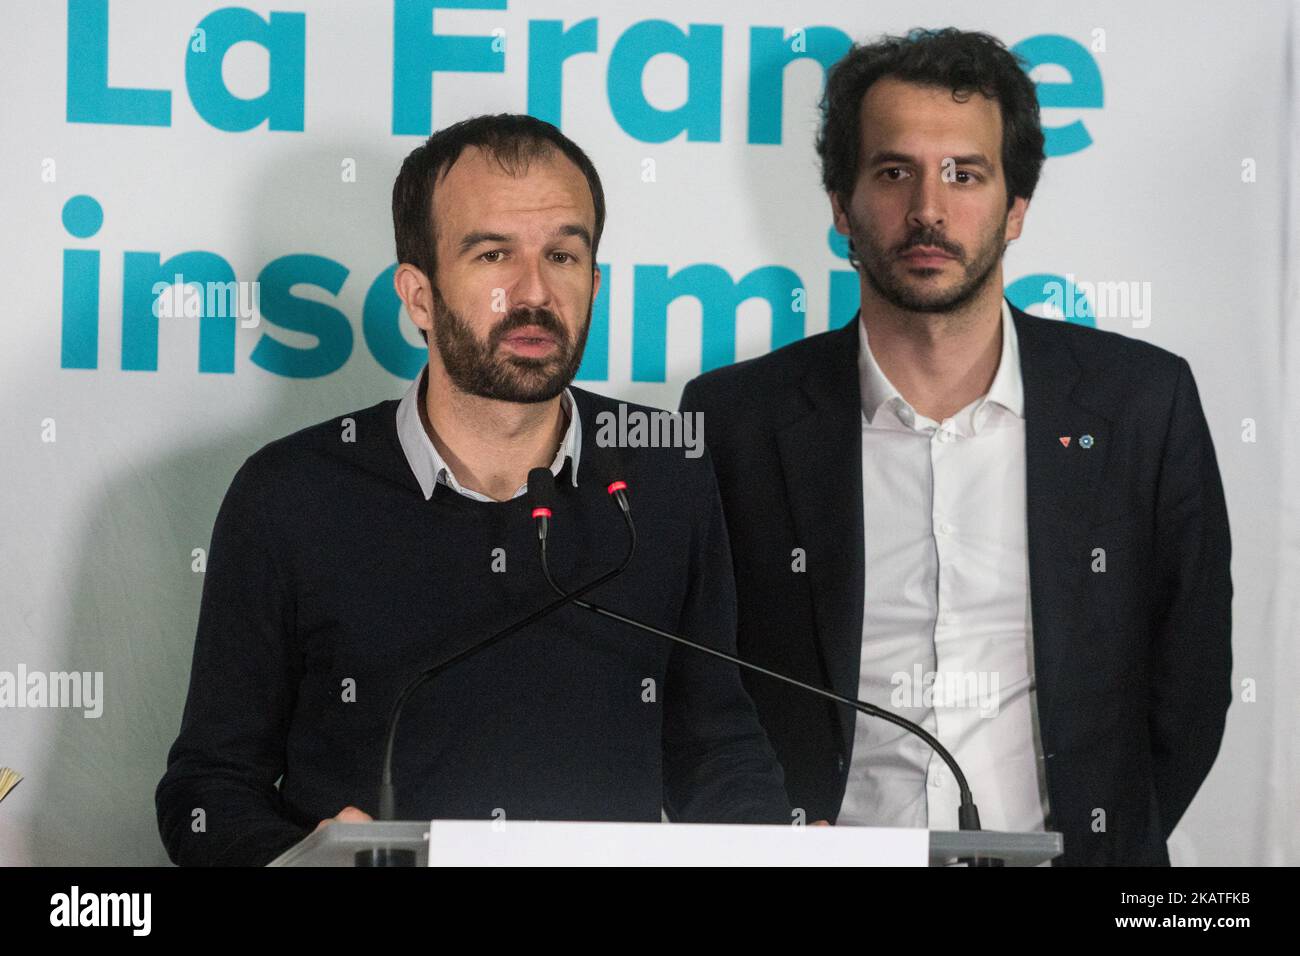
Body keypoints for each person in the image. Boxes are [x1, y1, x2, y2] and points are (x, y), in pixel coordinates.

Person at [156, 113, 790, 866]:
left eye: (562, 254)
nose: (534, 292)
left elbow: (715, 747)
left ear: (594, 283)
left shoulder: (664, 473)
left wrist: (780, 847)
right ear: (419, 297)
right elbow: (208, 789)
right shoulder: (290, 494)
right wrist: (300, 858)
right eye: (493, 254)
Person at [680, 29, 1231, 865]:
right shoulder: (734, 421)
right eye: (894, 172)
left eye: (964, 174)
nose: (929, 210)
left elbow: (1188, 686)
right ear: (841, 205)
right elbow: (701, 691)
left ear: (1016, 208)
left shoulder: (1142, 406)